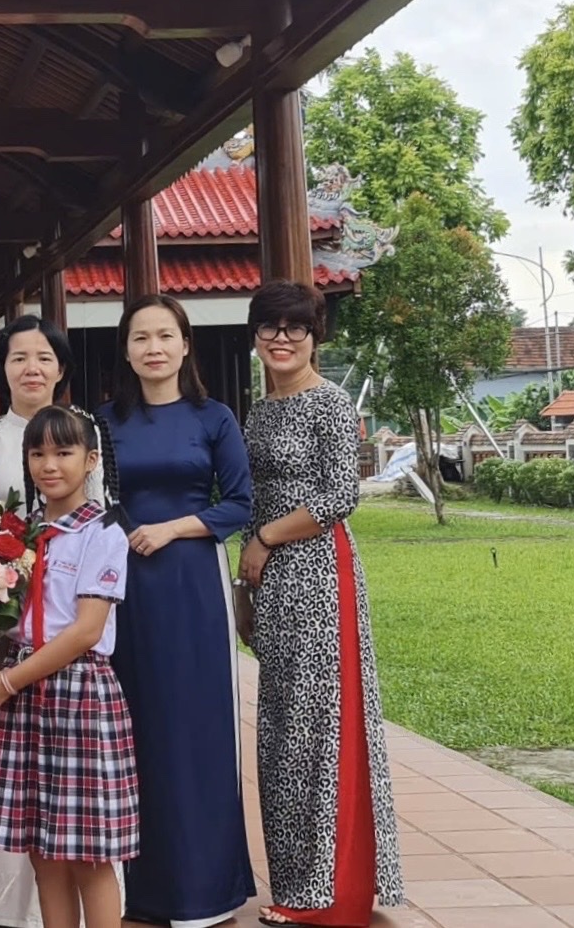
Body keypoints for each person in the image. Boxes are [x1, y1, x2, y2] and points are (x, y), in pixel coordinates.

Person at [237, 282, 404, 927]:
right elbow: (252, 499)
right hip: (270, 577)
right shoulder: (258, 412)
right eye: (269, 327)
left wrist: (266, 540)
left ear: (315, 335)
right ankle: (294, 883)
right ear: (254, 335)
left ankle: (326, 893)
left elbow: (340, 495)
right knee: (280, 728)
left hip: (316, 572)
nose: (282, 338)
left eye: (295, 327)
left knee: (318, 727)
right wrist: (248, 580)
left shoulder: (331, 404)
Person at [0, 316, 112, 928]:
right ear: (2, 368)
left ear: (62, 367)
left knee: (73, 812)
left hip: (69, 640)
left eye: (44, 357)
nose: (32, 368)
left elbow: (101, 513)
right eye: (18, 357)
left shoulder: (86, 432)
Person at [108, 294, 257, 927]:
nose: (153, 348)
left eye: (164, 336)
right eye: (140, 338)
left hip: (192, 582)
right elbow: (94, 497)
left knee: (194, 725)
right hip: (122, 586)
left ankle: (203, 889)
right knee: (133, 726)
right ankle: (140, 888)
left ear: (185, 344)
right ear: (127, 350)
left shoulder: (214, 417)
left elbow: (242, 503)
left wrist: (173, 529)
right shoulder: (107, 421)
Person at [0, 405, 139, 928]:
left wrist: (6, 682)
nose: (49, 465)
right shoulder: (20, 533)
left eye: (63, 452)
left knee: (88, 852)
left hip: (78, 694)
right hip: (21, 696)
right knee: (44, 849)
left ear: (91, 460)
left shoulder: (103, 531)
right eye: (37, 453)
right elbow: (6, 624)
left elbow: (86, 630)